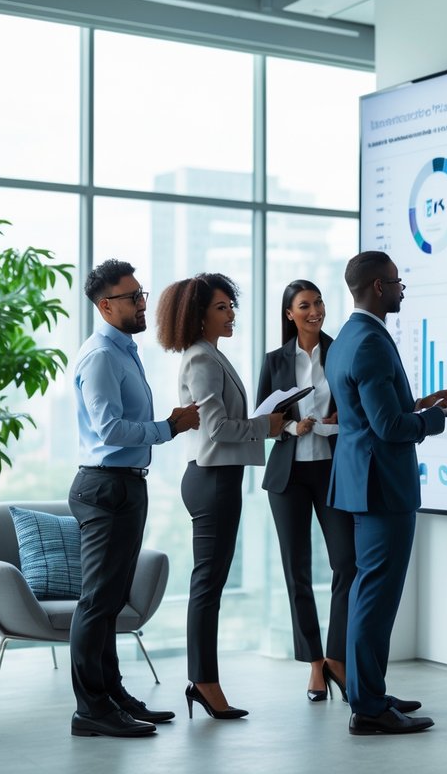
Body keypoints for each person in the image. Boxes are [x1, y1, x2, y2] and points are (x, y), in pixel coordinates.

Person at [327, 251, 447, 735]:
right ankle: (367, 707)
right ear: (379, 287)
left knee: (371, 594)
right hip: (382, 485)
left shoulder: (348, 337)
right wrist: (435, 419)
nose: (403, 288)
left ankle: (372, 691)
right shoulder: (371, 343)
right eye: (398, 282)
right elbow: (388, 427)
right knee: (375, 599)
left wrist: (424, 403)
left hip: (365, 482)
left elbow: (370, 412)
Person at [69, 259, 200, 739]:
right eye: (132, 298)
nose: (144, 303)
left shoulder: (123, 349)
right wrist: (170, 426)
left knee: (111, 599)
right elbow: (108, 429)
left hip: (124, 483)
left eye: (142, 293)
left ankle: (113, 695)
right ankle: (91, 709)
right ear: (105, 306)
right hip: (105, 484)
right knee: (97, 603)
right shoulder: (102, 356)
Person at [156, 273, 284, 720]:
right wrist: (265, 427)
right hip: (211, 478)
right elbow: (217, 429)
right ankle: (204, 682)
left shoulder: (212, 355)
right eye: (221, 307)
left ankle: (204, 680)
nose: (231, 314)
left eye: (232, 305)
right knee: (208, 585)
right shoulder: (201, 360)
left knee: (210, 583)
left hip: (217, 477)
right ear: (199, 315)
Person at [256, 279, 355, 703]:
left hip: (333, 469)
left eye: (318, 303)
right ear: (289, 314)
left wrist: (341, 416)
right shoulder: (275, 360)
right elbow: (262, 419)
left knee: (346, 564)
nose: (314, 310)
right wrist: (292, 427)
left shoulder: (341, 350)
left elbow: (359, 405)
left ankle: (337, 657)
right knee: (297, 570)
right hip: (289, 475)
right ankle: (315, 664)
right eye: (304, 305)